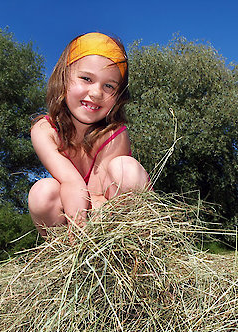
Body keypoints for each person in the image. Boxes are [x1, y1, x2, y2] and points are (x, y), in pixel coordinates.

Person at [28, 32, 149, 235]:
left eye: (109, 86)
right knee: (42, 192)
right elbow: (71, 182)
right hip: (74, 215)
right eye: (86, 78)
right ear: (64, 78)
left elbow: (97, 198)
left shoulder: (115, 133)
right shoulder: (44, 130)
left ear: (118, 95)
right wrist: (78, 240)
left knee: (125, 169)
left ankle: (136, 250)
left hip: (112, 221)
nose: (96, 93)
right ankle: (60, 253)